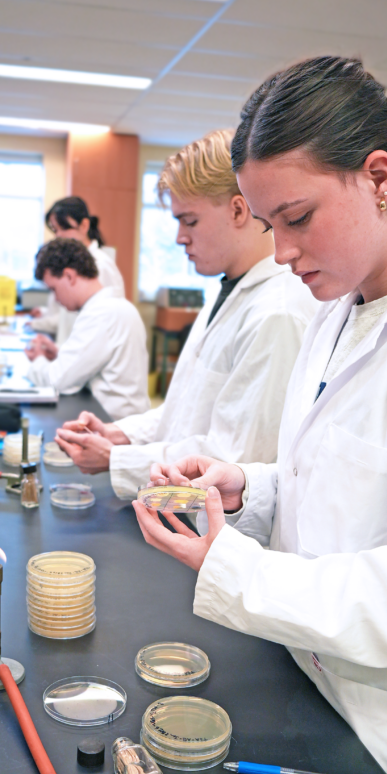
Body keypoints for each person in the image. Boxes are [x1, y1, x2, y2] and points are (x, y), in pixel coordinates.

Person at [133, 56, 387, 774]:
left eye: (296, 218)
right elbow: (339, 483)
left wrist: (239, 570)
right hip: (317, 689)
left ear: (377, 177)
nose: (280, 251)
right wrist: (251, 487)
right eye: (266, 221)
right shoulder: (339, 309)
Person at [55, 129, 317, 500]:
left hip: (208, 525)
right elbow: (182, 412)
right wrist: (122, 435)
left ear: (238, 210)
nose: (179, 237)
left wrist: (118, 459)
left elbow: (232, 459)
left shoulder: (277, 314)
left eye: (189, 221)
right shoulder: (227, 290)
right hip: (174, 506)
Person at [25, 238, 149, 419]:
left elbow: (59, 381)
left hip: (113, 423)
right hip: (119, 419)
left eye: (54, 288)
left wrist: (38, 360)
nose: (56, 299)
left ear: (69, 276)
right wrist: (59, 353)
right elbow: (92, 360)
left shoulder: (100, 314)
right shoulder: (115, 307)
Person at [31, 196, 125, 345]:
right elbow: (67, 314)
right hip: (72, 355)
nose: (59, 236)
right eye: (55, 230)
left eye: (65, 228)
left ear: (84, 226)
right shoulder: (74, 263)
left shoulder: (101, 265)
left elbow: (100, 325)